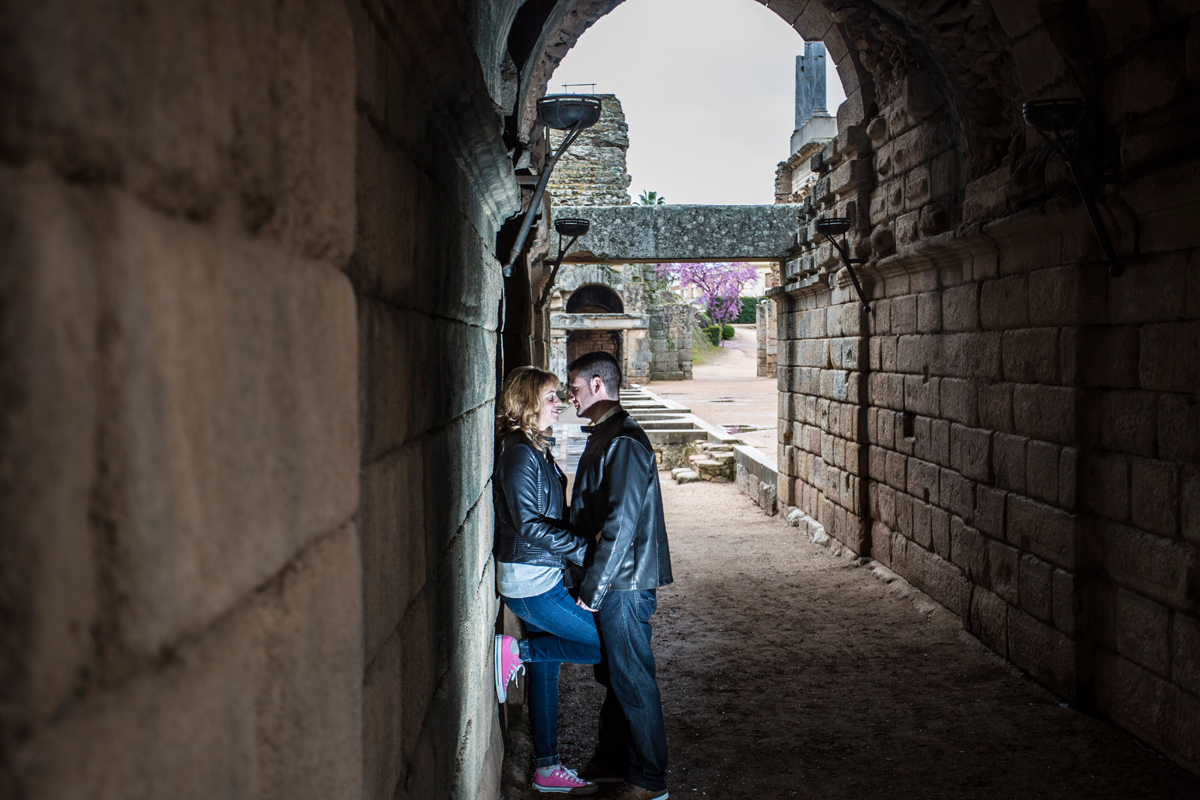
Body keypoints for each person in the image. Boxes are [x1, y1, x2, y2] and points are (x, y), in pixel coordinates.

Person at [566, 351, 673, 800]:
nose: (570, 398)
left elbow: (622, 524)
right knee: (616, 677)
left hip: (623, 583)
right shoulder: (607, 433)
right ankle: (612, 763)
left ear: (596, 385)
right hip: (617, 580)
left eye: (573, 388)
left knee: (631, 678)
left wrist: (592, 590)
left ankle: (650, 779)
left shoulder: (624, 440)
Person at [492, 365, 602, 796]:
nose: (559, 404)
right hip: (531, 581)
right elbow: (528, 524)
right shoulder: (519, 452)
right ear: (527, 403)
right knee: (603, 643)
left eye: (559, 395)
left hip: (541, 572)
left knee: (547, 670)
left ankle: (547, 768)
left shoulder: (533, 447)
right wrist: (584, 550)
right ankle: (518, 650)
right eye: (551, 397)